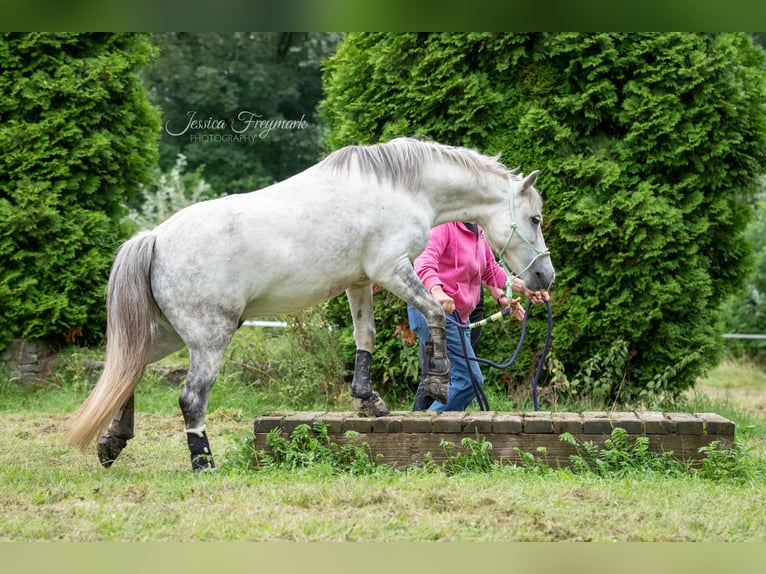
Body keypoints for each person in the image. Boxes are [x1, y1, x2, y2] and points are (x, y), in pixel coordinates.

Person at [408, 221, 549, 412]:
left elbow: (492, 271)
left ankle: (428, 431)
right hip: (432, 310)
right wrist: (438, 291)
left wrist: (526, 288)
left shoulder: (479, 233)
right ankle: (425, 431)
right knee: (468, 380)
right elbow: (423, 262)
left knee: (441, 380)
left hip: (458, 317)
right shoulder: (444, 226)